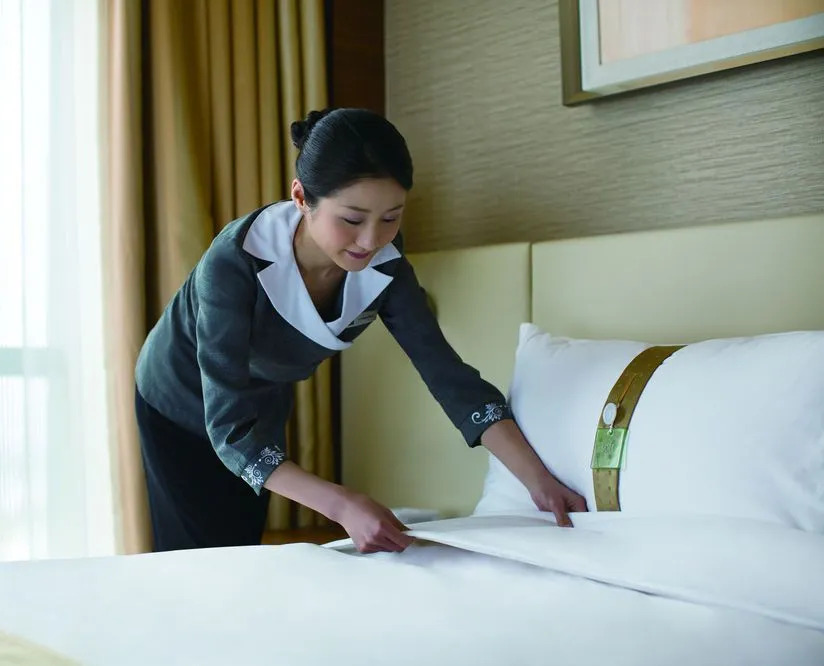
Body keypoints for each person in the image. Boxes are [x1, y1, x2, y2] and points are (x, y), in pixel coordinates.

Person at [134, 107, 587, 554]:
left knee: (243, 554)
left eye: (391, 217)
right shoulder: (234, 263)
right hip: (178, 401)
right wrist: (343, 505)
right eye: (352, 219)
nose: (370, 240)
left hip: (260, 404)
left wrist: (539, 483)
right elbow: (229, 429)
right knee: (199, 563)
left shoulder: (384, 264)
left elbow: (451, 379)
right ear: (300, 197)